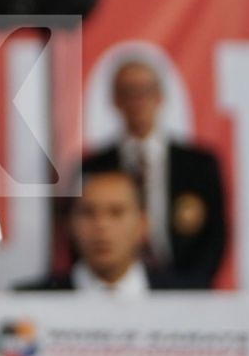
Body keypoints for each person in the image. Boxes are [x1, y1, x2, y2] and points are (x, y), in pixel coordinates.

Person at [81, 59, 228, 288]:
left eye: (145, 91)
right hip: (114, 290)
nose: (138, 101)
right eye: (128, 92)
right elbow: (80, 234)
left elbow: (216, 236)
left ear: (160, 96)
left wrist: (193, 286)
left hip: (185, 287)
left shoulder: (198, 165)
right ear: (115, 100)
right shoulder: (94, 168)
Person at [15, 169, 175, 295]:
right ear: (70, 224)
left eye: (116, 212)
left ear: (143, 224)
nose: (101, 225)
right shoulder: (32, 302)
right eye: (88, 212)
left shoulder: (186, 299)